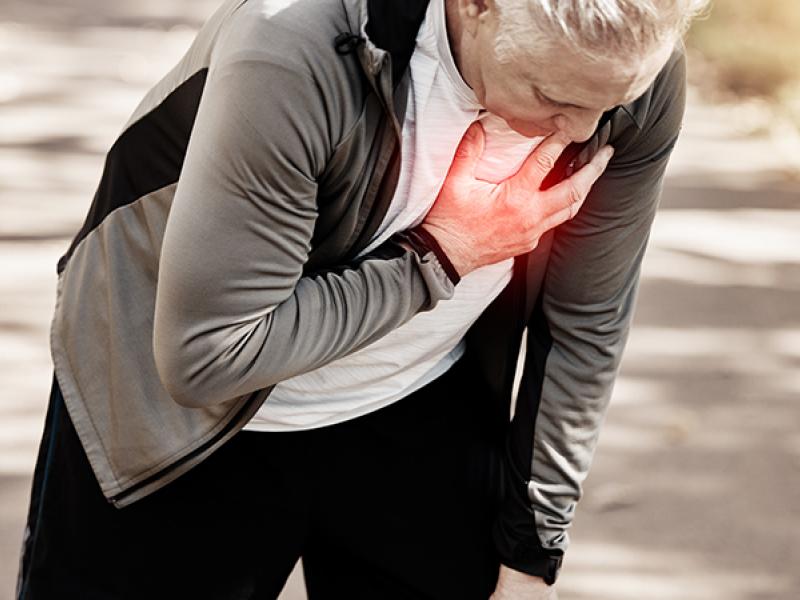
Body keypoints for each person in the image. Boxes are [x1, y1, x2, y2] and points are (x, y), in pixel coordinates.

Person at [16, 0, 707, 598]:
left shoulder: (622, 70)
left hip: (417, 404)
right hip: (178, 430)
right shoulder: (292, 46)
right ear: (475, 5)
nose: (584, 132)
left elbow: (585, 321)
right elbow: (208, 357)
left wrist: (532, 550)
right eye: (551, 97)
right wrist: (442, 255)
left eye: (606, 106)